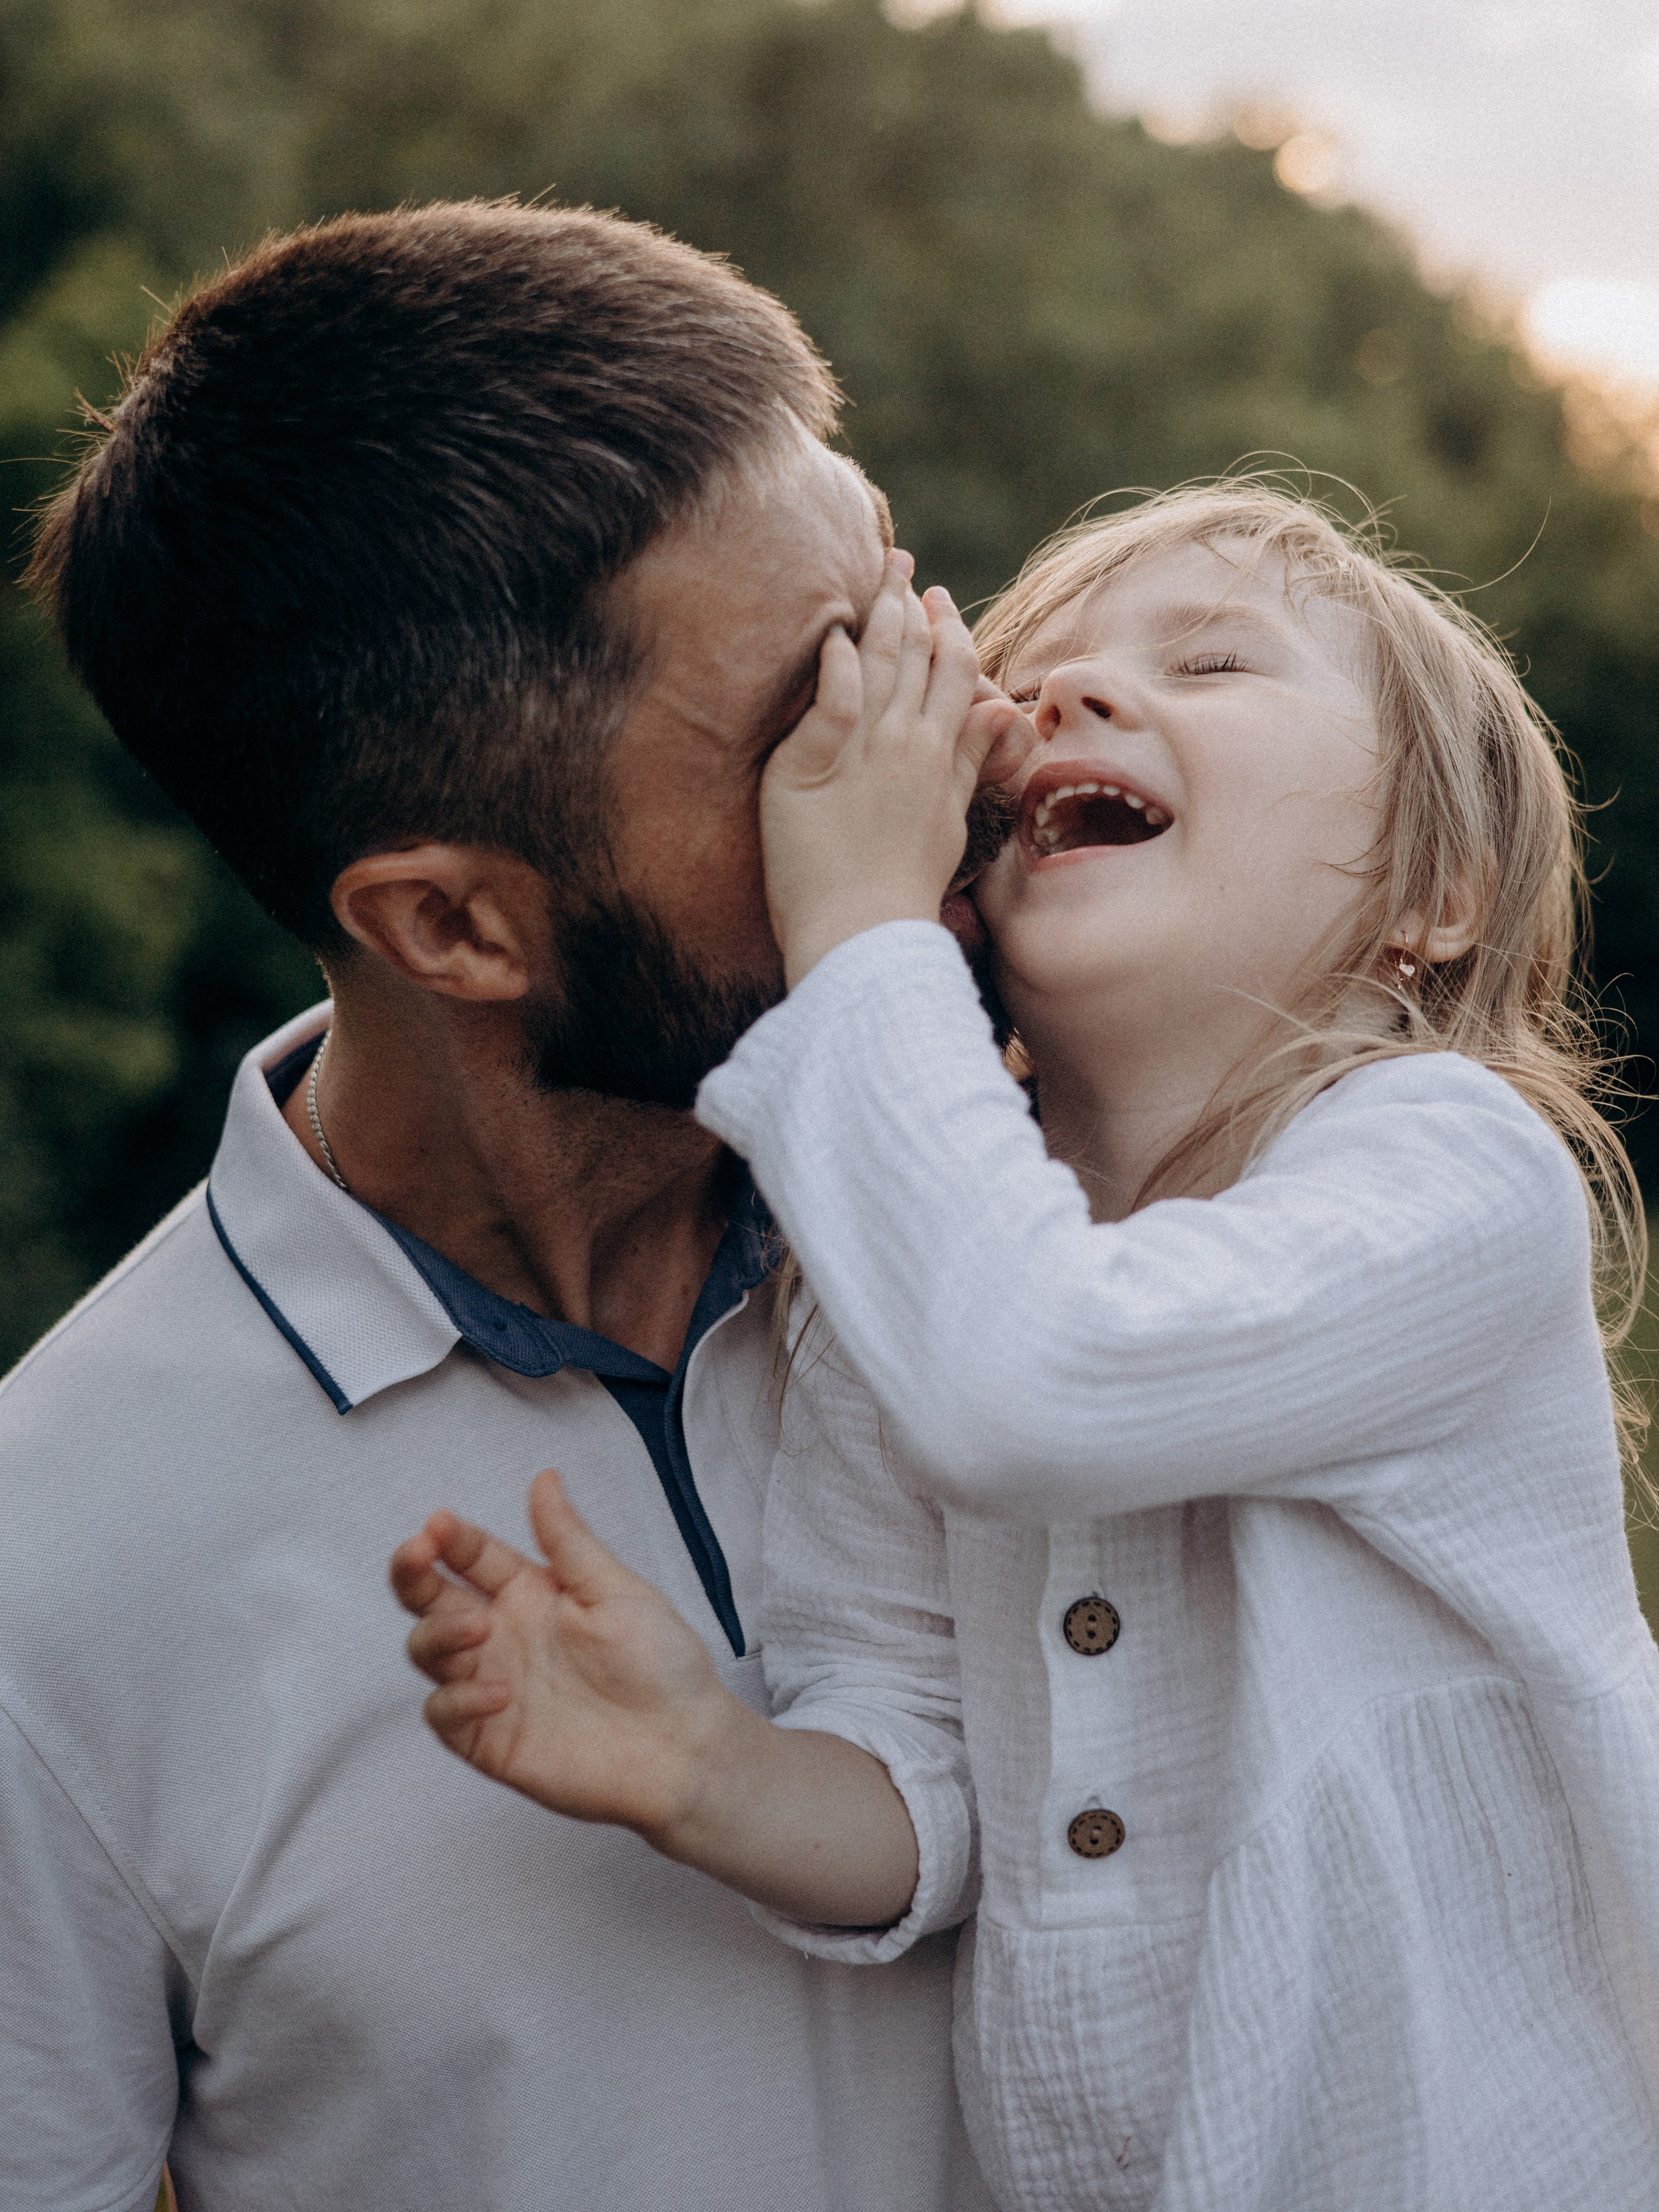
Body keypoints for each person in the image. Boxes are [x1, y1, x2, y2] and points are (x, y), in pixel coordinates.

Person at [394, 483, 1659, 2212]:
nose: (1066, 696)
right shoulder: (898, 1282)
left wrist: (859, 937)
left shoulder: (1451, 1169)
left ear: (1433, 892)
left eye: (1211, 660)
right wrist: (709, 1770)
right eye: (1024, 691)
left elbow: (1041, 1382)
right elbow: (923, 1777)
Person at [0, 199, 1020, 2211]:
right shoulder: (47, 1575)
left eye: (902, 597)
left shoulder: (1083, 1231)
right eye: (819, 713)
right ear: (454, 923)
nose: (956, 727)